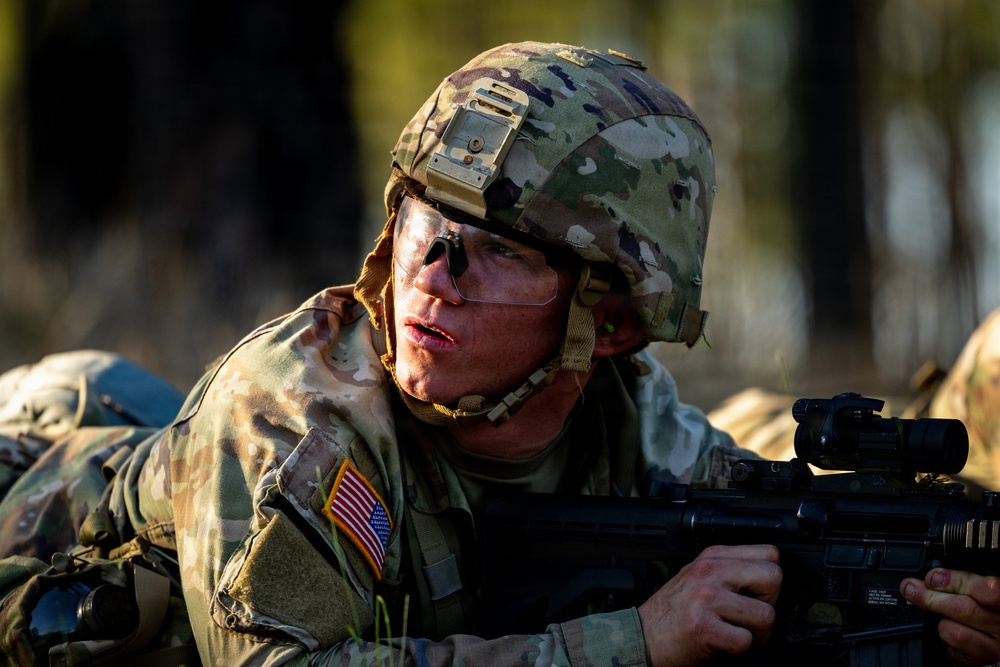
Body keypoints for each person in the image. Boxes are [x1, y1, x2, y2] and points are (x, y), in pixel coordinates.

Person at [1, 41, 999, 667]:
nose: (432, 270)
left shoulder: (631, 417)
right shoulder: (293, 418)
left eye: (501, 249)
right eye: (425, 221)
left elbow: (755, 571)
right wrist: (630, 643)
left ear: (605, 324)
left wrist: (922, 614)